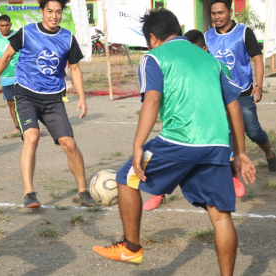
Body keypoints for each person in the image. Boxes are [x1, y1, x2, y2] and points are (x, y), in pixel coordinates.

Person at [92, 9, 256, 276]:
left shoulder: (153, 58)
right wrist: (240, 153)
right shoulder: (209, 59)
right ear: (177, 30)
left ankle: (131, 247)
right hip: (216, 144)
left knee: (126, 177)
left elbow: (153, 99)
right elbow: (234, 106)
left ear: (153, 38)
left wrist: (138, 145)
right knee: (220, 216)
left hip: (180, 140)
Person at [0, 0, 97, 208]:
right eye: (50, 11)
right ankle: (29, 193)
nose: (54, 16)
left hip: (53, 98)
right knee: (32, 136)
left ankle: (83, 191)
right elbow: (6, 56)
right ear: (42, 11)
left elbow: (75, 69)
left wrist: (82, 97)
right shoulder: (26, 32)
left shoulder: (67, 37)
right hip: (26, 95)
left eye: (58, 12)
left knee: (69, 143)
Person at [142, 29, 246, 211]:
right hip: (185, 132)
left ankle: (232, 176)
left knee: (223, 160)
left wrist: (239, 149)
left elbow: (232, 106)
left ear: (204, 49)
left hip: (215, 130)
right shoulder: (175, 66)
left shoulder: (217, 66)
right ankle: (158, 192)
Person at [205, 0, 276, 174]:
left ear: (230, 12)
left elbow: (257, 59)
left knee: (253, 132)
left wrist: (258, 86)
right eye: (214, 13)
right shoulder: (207, 37)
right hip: (219, 94)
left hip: (243, 92)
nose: (217, 17)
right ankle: (231, 172)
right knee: (225, 132)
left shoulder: (244, 32)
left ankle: (269, 153)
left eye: (220, 13)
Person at [0, 14, 20, 134]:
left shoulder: (18, 36)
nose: (5, 28)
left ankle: (30, 126)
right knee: (10, 103)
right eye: (2, 26)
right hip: (6, 77)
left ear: (10, 25)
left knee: (24, 102)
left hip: (20, 76)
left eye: (7, 25)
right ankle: (17, 127)